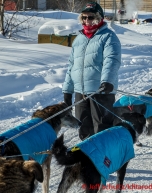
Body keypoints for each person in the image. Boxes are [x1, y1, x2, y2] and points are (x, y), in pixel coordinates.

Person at [63, 2, 121, 140]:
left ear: (99, 17)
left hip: (101, 91)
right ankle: (87, 159)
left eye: (90, 17)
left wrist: (107, 81)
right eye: (84, 17)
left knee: (102, 129)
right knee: (84, 129)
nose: (86, 20)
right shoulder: (79, 39)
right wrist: (67, 91)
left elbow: (111, 61)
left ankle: (103, 159)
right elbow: (72, 66)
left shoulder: (108, 37)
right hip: (80, 93)